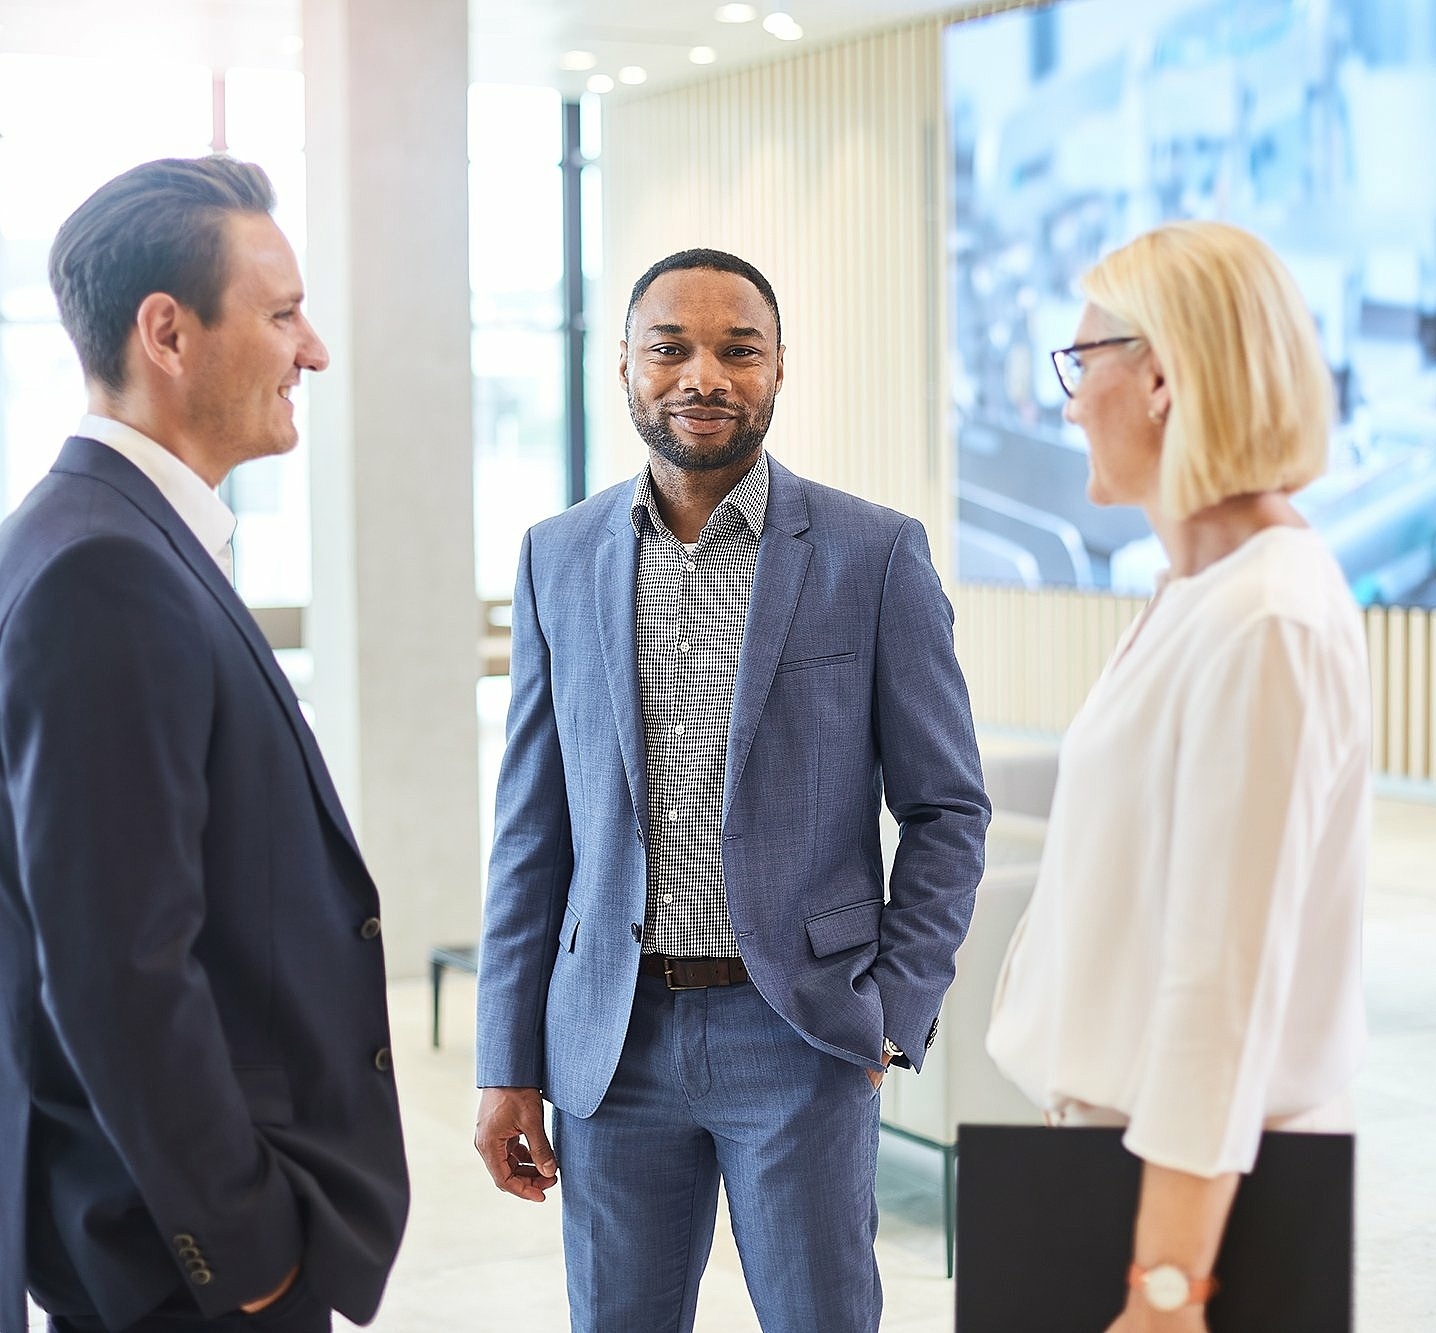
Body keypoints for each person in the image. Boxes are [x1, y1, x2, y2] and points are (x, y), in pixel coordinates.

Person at [472, 248, 989, 1330]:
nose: (701, 374)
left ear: (777, 369)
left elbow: (945, 810)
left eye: (735, 349)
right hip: (608, 1047)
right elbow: (532, 832)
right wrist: (504, 1058)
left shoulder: (872, 554)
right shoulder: (555, 556)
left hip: (796, 1034)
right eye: (669, 347)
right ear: (622, 365)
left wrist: (891, 1011)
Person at [0, 157, 409, 1333]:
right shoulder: (103, 568)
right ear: (167, 333)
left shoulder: (102, 535)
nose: (313, 351)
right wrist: (241, 1251)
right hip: (180, 1266)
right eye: (282, 316)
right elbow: (118, 964)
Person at [986, 220, 1370, 1331]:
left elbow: (1220, 979)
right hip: (1108, 1160)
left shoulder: (1265, 615)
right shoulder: (1202, 590)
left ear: (1156, 377)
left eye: (1078, 364)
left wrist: (1164, 1288)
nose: (1065, 403)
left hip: (1184, 1207)